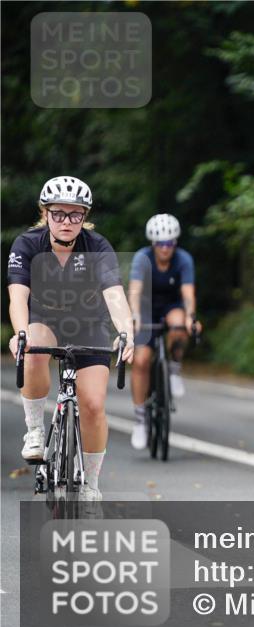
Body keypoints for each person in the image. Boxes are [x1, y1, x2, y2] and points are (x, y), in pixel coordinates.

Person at [6, 176, 135, 501]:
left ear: (84, 215)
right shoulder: (27, 244)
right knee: (34, 347)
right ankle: (35, 430)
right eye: (59, 213)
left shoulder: (97, 247)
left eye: (75, 214)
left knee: (92, 405)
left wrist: (125, 332)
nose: (66, 221)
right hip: (44, 319)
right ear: (45, 213)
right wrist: (20, 333)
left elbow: (115, 295)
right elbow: (18, 297)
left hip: (87, 324)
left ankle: (90, 484)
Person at [127, 213, 198, 450]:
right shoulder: (141, 258)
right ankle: (139, 419)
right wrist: (135, 317)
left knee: (179, 325)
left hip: (171, 306)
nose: (165, 248)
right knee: (141, 360)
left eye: (169, 243)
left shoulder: (183, 259)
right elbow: (135, 292)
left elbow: (188, 294)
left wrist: (190, 318)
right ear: (153, 244)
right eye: (160, 244)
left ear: (175, 243)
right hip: (146, 309)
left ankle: (174, 369)